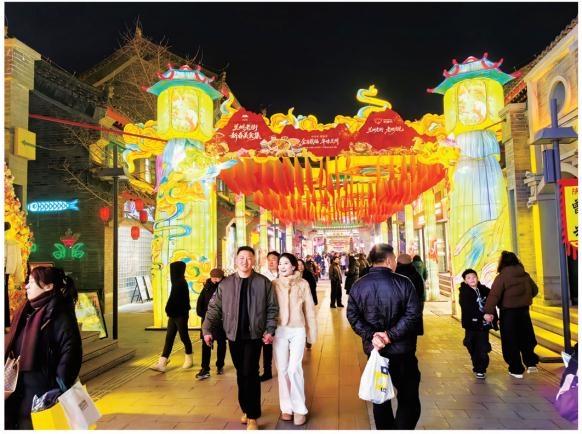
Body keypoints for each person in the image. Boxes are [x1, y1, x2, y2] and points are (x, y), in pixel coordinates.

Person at [202, 246, 279, 431]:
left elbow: (272, 308)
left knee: (250, 372)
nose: (245, 261)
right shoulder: (226, 284)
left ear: (254, 260)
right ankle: (246, 408)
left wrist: (269, 330)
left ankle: (252, 416)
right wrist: (206, 329)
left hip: (254, 335)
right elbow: (214, 308)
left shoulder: (263, 282)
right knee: (240, 373)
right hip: (234, 335)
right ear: (236, 260)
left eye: (249, 258)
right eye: (242, 258)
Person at [347, 244, 421, 430]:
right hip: (403, 352)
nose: (395, 262)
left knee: (380, 398)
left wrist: (373, 336)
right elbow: (413, 314)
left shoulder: (359, 285)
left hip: (376, 352)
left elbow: (352, 316)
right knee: (408, 397)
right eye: (394, 259)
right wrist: (390, 335)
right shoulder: (404, 283)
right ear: (388, 260)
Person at [4, 266, 82, 429]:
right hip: (17, 387)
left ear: (48, 286)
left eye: (32, 282)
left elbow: (70, 351)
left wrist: (59, 386)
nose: (27, 286)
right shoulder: (25, 312)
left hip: (43, 390)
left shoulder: (59, 314)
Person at [272, 253, 317, 426]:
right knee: (282, 369)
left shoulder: (303, 283)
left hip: (298, 329)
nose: (282, 266)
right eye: (280, 263)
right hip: (279, 330)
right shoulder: (274, 284)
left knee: (294, 368)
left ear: (293, 266)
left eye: (286, 263)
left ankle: (299, 409)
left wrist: (311, 333)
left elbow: (309, 309)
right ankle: (286, 408)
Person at [484, 251, 539, 379]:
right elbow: (535, 290)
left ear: (502, 262)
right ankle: (531, 364)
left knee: (510, 340)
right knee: (526, 337)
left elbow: (494, 296)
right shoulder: (524, 275)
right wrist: (524, 298)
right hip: (524, 311)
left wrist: (488, 311)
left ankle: (516, 369)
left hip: (508, 313)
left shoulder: (502, 277)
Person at [151, 261, 193, 372]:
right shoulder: (177, 282)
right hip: (174, 314)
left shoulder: (180, 283)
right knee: (169, 337)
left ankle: (189, 357)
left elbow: (175, 301)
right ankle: (162, 362)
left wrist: (168, 309)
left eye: (173, 270)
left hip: (181, 315)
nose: (171, 273)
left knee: (184, 336)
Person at [459, 269, 498, 379]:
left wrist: (492, 316)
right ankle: (477, 363)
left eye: (474, 277)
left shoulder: (484, 289)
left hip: (483, 326)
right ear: (465, 281)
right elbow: (468, 308)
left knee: (482, 346)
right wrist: (482, 315)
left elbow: (492, 301)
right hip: (471, 325)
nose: (472, 279)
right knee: (470, 344)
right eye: (468, 278)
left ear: (477, 278)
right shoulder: (464, 292)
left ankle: (481, 369)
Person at [195, 268, 227, 380]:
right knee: (206, 345)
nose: (216, 280)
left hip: (221, 322)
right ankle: (205, 368)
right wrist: (205, 316)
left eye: (218, 278)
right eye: (214, 278)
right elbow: (200, 304)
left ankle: (220, 365)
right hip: (207, 321)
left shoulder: (226, 287)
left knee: (221, 343)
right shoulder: (206, 287)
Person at [259, 251, 279, 382]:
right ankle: (267, 371)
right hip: (268, 314)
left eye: (274, 259)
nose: (271, 262)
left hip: (283, 316)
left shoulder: (284, 275)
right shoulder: (263, 277)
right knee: (267, 344)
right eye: (269, 259)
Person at [395, 254, 425, 335]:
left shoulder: (394, 275)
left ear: (398, 263)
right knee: (412, 337)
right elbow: (420, 293)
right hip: (413, 313)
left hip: (398, 316)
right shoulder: (416, 275)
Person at [5, 222, 24, 328]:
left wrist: (18, 279)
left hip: (5, 271)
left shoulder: (13, 244)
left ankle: (5, 323)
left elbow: (18, 262)